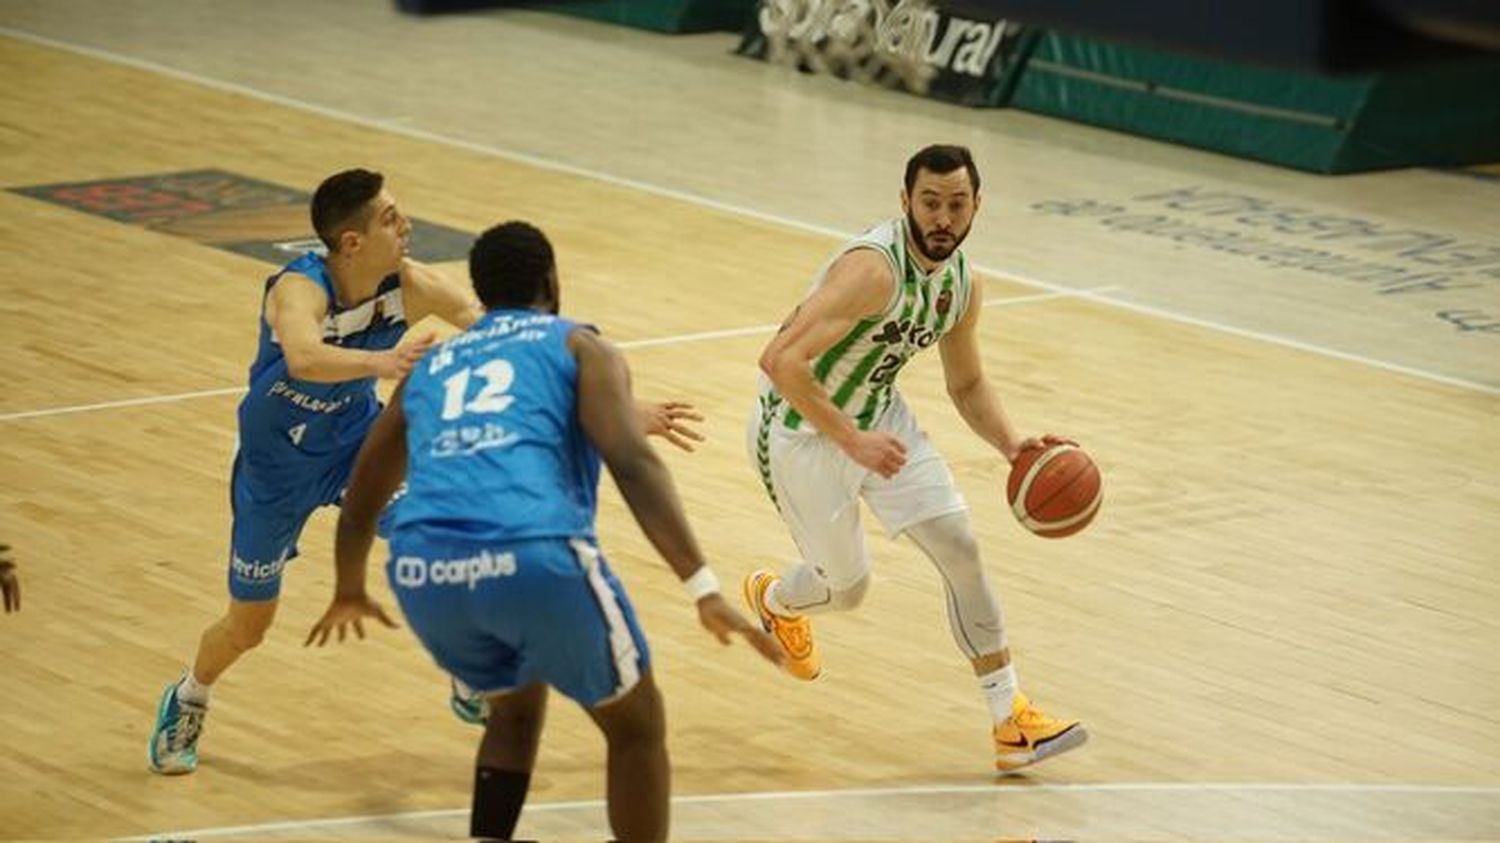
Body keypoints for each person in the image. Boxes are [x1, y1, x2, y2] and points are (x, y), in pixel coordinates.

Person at [147, 169, 702, 775]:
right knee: (248, 626)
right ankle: (190, 695)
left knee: (451, 537)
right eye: (389, 218)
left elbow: (510, 336)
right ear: (352, 242)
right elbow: (303, 357)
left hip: (356, 448)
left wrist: (618, 408)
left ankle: (472, 672)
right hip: (273, 471)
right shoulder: (297, 289)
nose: (406, 225)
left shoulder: (413, 286)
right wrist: (385, 360)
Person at [305, 220, 783, 842]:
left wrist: (348, 586)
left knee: (515, 700)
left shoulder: (433, 364)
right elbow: (631, 460)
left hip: (425, 571)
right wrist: (703, 588)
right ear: (552, 282)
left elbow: (366, 486)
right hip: (532, 555)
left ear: (481, 291)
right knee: (636, 726)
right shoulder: (581, 345)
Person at [745, 144, 1088, 772]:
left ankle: (1009, 719)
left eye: (957, 205)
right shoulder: (873, 271)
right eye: (929, 203)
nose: (943, 218)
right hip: (798, 429)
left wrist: (1013, 445)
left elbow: (967, 385)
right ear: (904, 202)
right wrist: (851, 440)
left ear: (977, 207)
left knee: (961, 546)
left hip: (877, 415)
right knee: (847, 591)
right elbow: (780, 361)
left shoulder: (962, 285)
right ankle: (775, 602)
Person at [1, 543, 18, 613]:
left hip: (6, 577)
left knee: (8, 592)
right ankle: (10, 607)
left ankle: (9, 608)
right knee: (8, 592)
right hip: (6, 577)